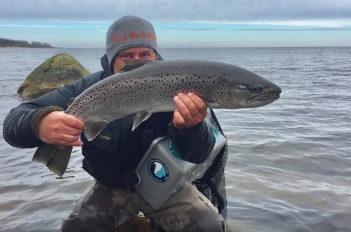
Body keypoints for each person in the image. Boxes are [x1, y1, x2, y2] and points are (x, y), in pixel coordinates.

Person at [3, 15, 228, 232]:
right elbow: (13, 121)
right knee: (77, 226)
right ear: (112, 58)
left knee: (207, 225)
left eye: (145, 53)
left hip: (168, 187)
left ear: (155, 54)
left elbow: (200, 156)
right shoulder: (87, 88)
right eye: (126, 55)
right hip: (110, 188)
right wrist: (38, 123)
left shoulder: (180, 84)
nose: (136, 60)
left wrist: (190, 129)